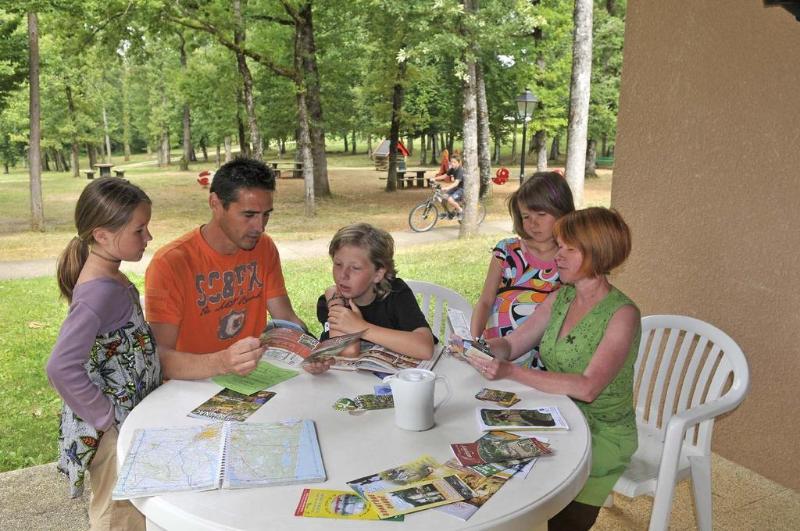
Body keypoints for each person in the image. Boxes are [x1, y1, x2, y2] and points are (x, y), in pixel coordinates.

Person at [465, 207, 640, 531]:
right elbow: (516, 343)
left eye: (569, 249)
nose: (557, 255)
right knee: (492, 473)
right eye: (560, 246)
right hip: (555, 413)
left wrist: (511, 372)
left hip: (602, 433)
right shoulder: (562, 296)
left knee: (561, 519)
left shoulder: (622, 315)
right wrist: (482, 347)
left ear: (598, 253)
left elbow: (587, 387)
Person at [46, 178, 161, 530]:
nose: (148, 238)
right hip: (112, 432)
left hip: (127, 419)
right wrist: (105, 419)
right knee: (117, 515)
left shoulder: (112, 277)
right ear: (102, 235)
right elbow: (60, 366)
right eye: (139, 230)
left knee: (133, 509)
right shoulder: (97, 294)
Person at [145, 158, 306, 380]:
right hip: (192, 385)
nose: (260, 227)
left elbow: (286, 317)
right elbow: (159, 359)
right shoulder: (171, 263)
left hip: (250, 378)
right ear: (215, 204)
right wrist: (222, 362)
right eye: (249, 215)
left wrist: (313, 350)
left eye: (266, 214)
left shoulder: (264, 247)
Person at [471, 171, 575, 369]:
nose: (533, 223)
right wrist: (476, 341)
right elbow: (485, 301)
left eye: (541, 215)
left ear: (562, 211)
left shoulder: (570, 260)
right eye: (526, 216)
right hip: (494, 355)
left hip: (541, 366)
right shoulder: (507, 252)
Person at [304, 223, 435, 374]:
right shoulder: (330, 301)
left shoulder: (396, 294)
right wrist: (335, 302)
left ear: (378, 274)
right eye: (338, 264)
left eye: (355, 268)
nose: (343, 275)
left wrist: (361, 328)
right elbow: (350, 351)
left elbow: (425, 348)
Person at [432, 154, 465, 218]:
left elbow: (456, 183)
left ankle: (461, 211)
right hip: (457, 188)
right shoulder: (452, 169)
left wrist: (447, 188)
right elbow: (445, 176)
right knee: (444, 198)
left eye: (454, 162)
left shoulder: (460, 170)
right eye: (451, 162)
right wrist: (435, 178)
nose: (452, 163)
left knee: (450, 199)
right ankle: (447, 213)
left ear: (459, 162)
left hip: (462, 189)